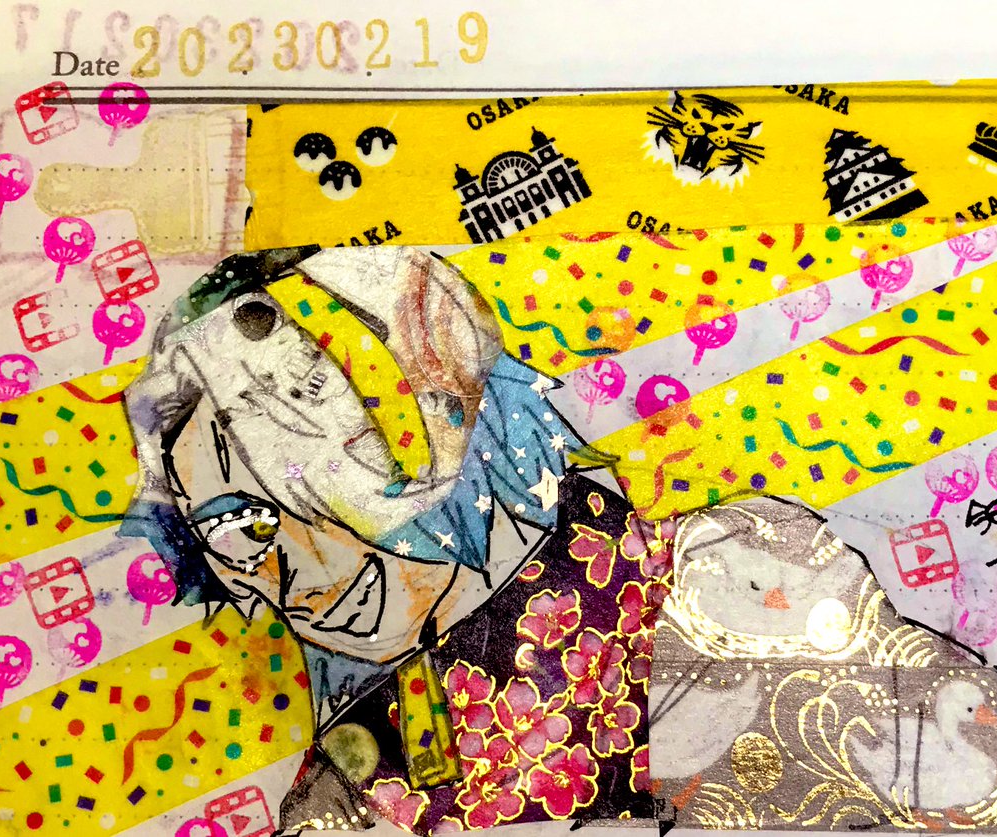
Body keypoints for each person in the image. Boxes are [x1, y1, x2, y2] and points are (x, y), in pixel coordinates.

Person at [120, 245, 663, 833]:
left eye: (332, 486)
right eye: (231, 532)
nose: (300, 569)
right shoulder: (337, 767)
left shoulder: (670, 586)